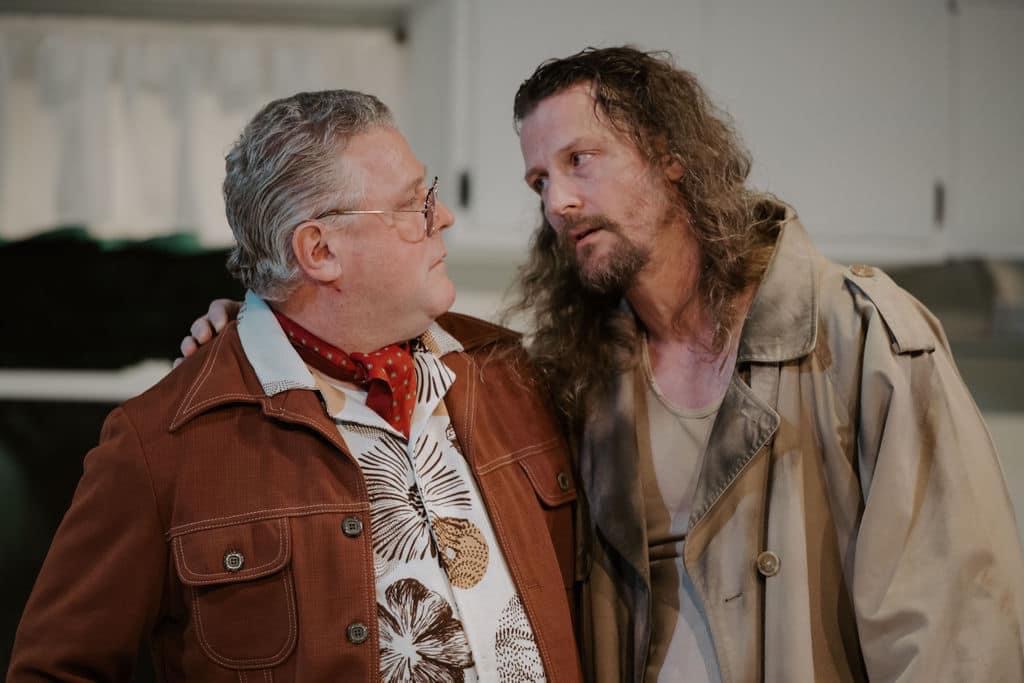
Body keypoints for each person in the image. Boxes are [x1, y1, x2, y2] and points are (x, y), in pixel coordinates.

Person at [175, 48, 1024, 682]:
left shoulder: (860, 337)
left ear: (672, 154)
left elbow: (956, 630)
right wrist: (264, 324)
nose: (558, 202)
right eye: (539, 181)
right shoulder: (578, 377)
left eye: (580, 161)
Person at [9, 90, 581, 682]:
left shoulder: (509, 376)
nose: (443, 217)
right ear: (320, 250)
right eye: (412, 204)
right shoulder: (159, 445)